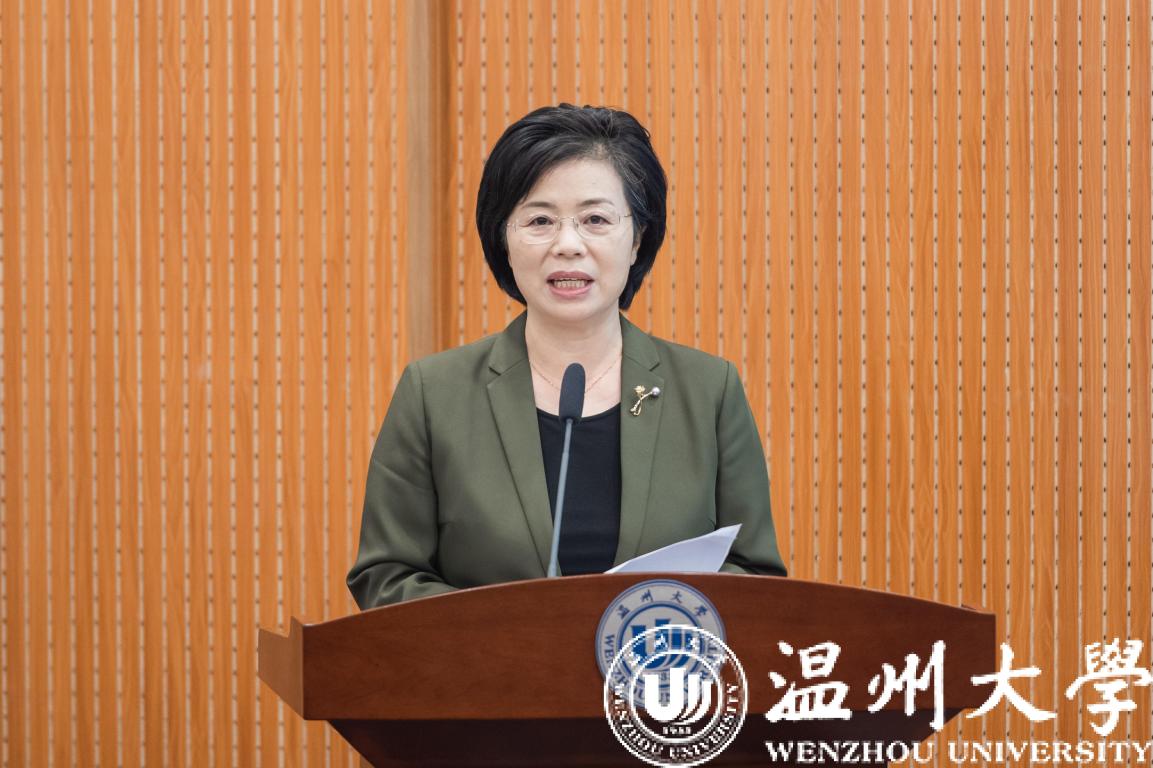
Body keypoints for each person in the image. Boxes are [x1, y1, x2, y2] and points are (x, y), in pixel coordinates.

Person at [347, 104, 786, 609]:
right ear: (503, 239)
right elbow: (386, 577)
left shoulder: (709, 391)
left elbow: (756, 575)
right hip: (492, 663)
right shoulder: (434, 394)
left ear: (638, 239)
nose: (568, 244)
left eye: (595, 219)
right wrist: (513, 638)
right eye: (540, 220)